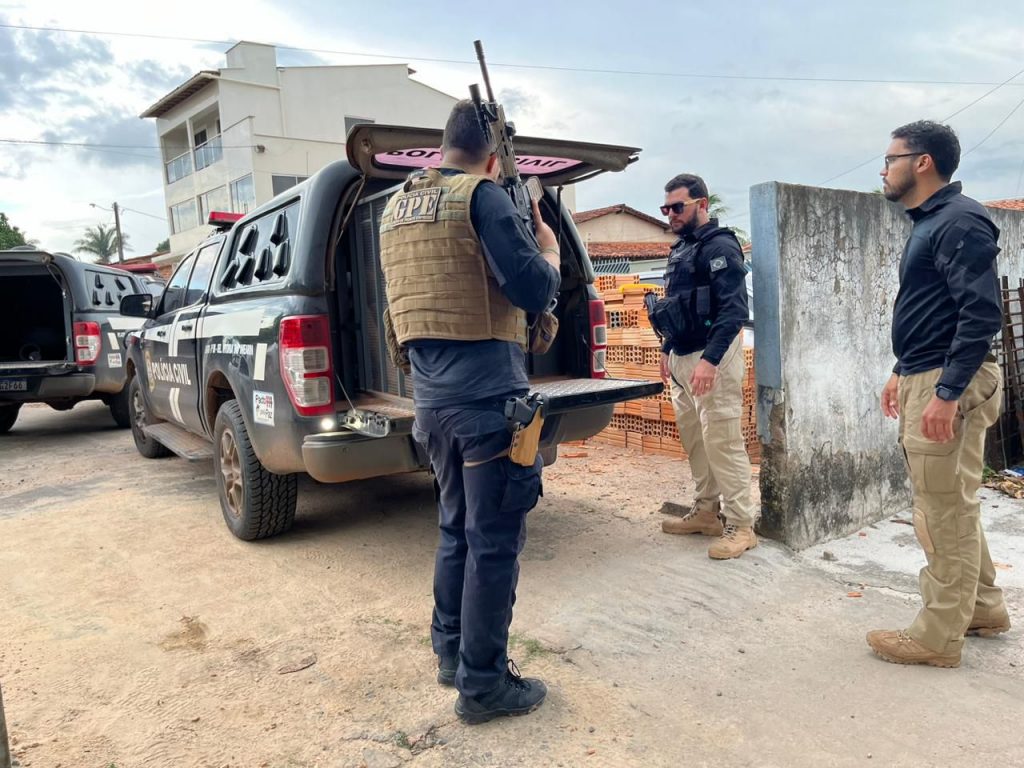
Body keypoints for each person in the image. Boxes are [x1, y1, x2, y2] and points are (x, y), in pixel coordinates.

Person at [377, 100, 561, 722]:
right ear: (493, 154)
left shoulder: (395, 209)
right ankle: (483, 686)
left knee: (456, 528)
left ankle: (452, 654)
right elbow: (533, 289)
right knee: (494, 542)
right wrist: (550, 250)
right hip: (487, 408)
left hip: (432, 407)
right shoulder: (482, 198)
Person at [870, 120, 1009, 668]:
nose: (884, 168)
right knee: (954, 503)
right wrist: (902, 369)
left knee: (940, 512)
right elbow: (934, 312)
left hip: (950, 381)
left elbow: (980, 314)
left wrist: (946, 392)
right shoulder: (934, 221)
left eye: (890, 157)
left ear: (922, 162)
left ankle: (936, 638)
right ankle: (982, 607)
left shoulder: (959, 221)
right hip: (927, 372)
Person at [655, 173, 758, 559]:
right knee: (695, 439)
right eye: (666, 208)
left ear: (702, 204)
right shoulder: (681, 249)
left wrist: (710, 361)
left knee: (723, 440)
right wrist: (668, 348)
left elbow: (734, 311)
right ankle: (706, 512)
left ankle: (741, 525)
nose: (670, 215)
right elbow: (674, 306)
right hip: (683, 357)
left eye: (677, 207)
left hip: (711, 356)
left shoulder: (720, 247)